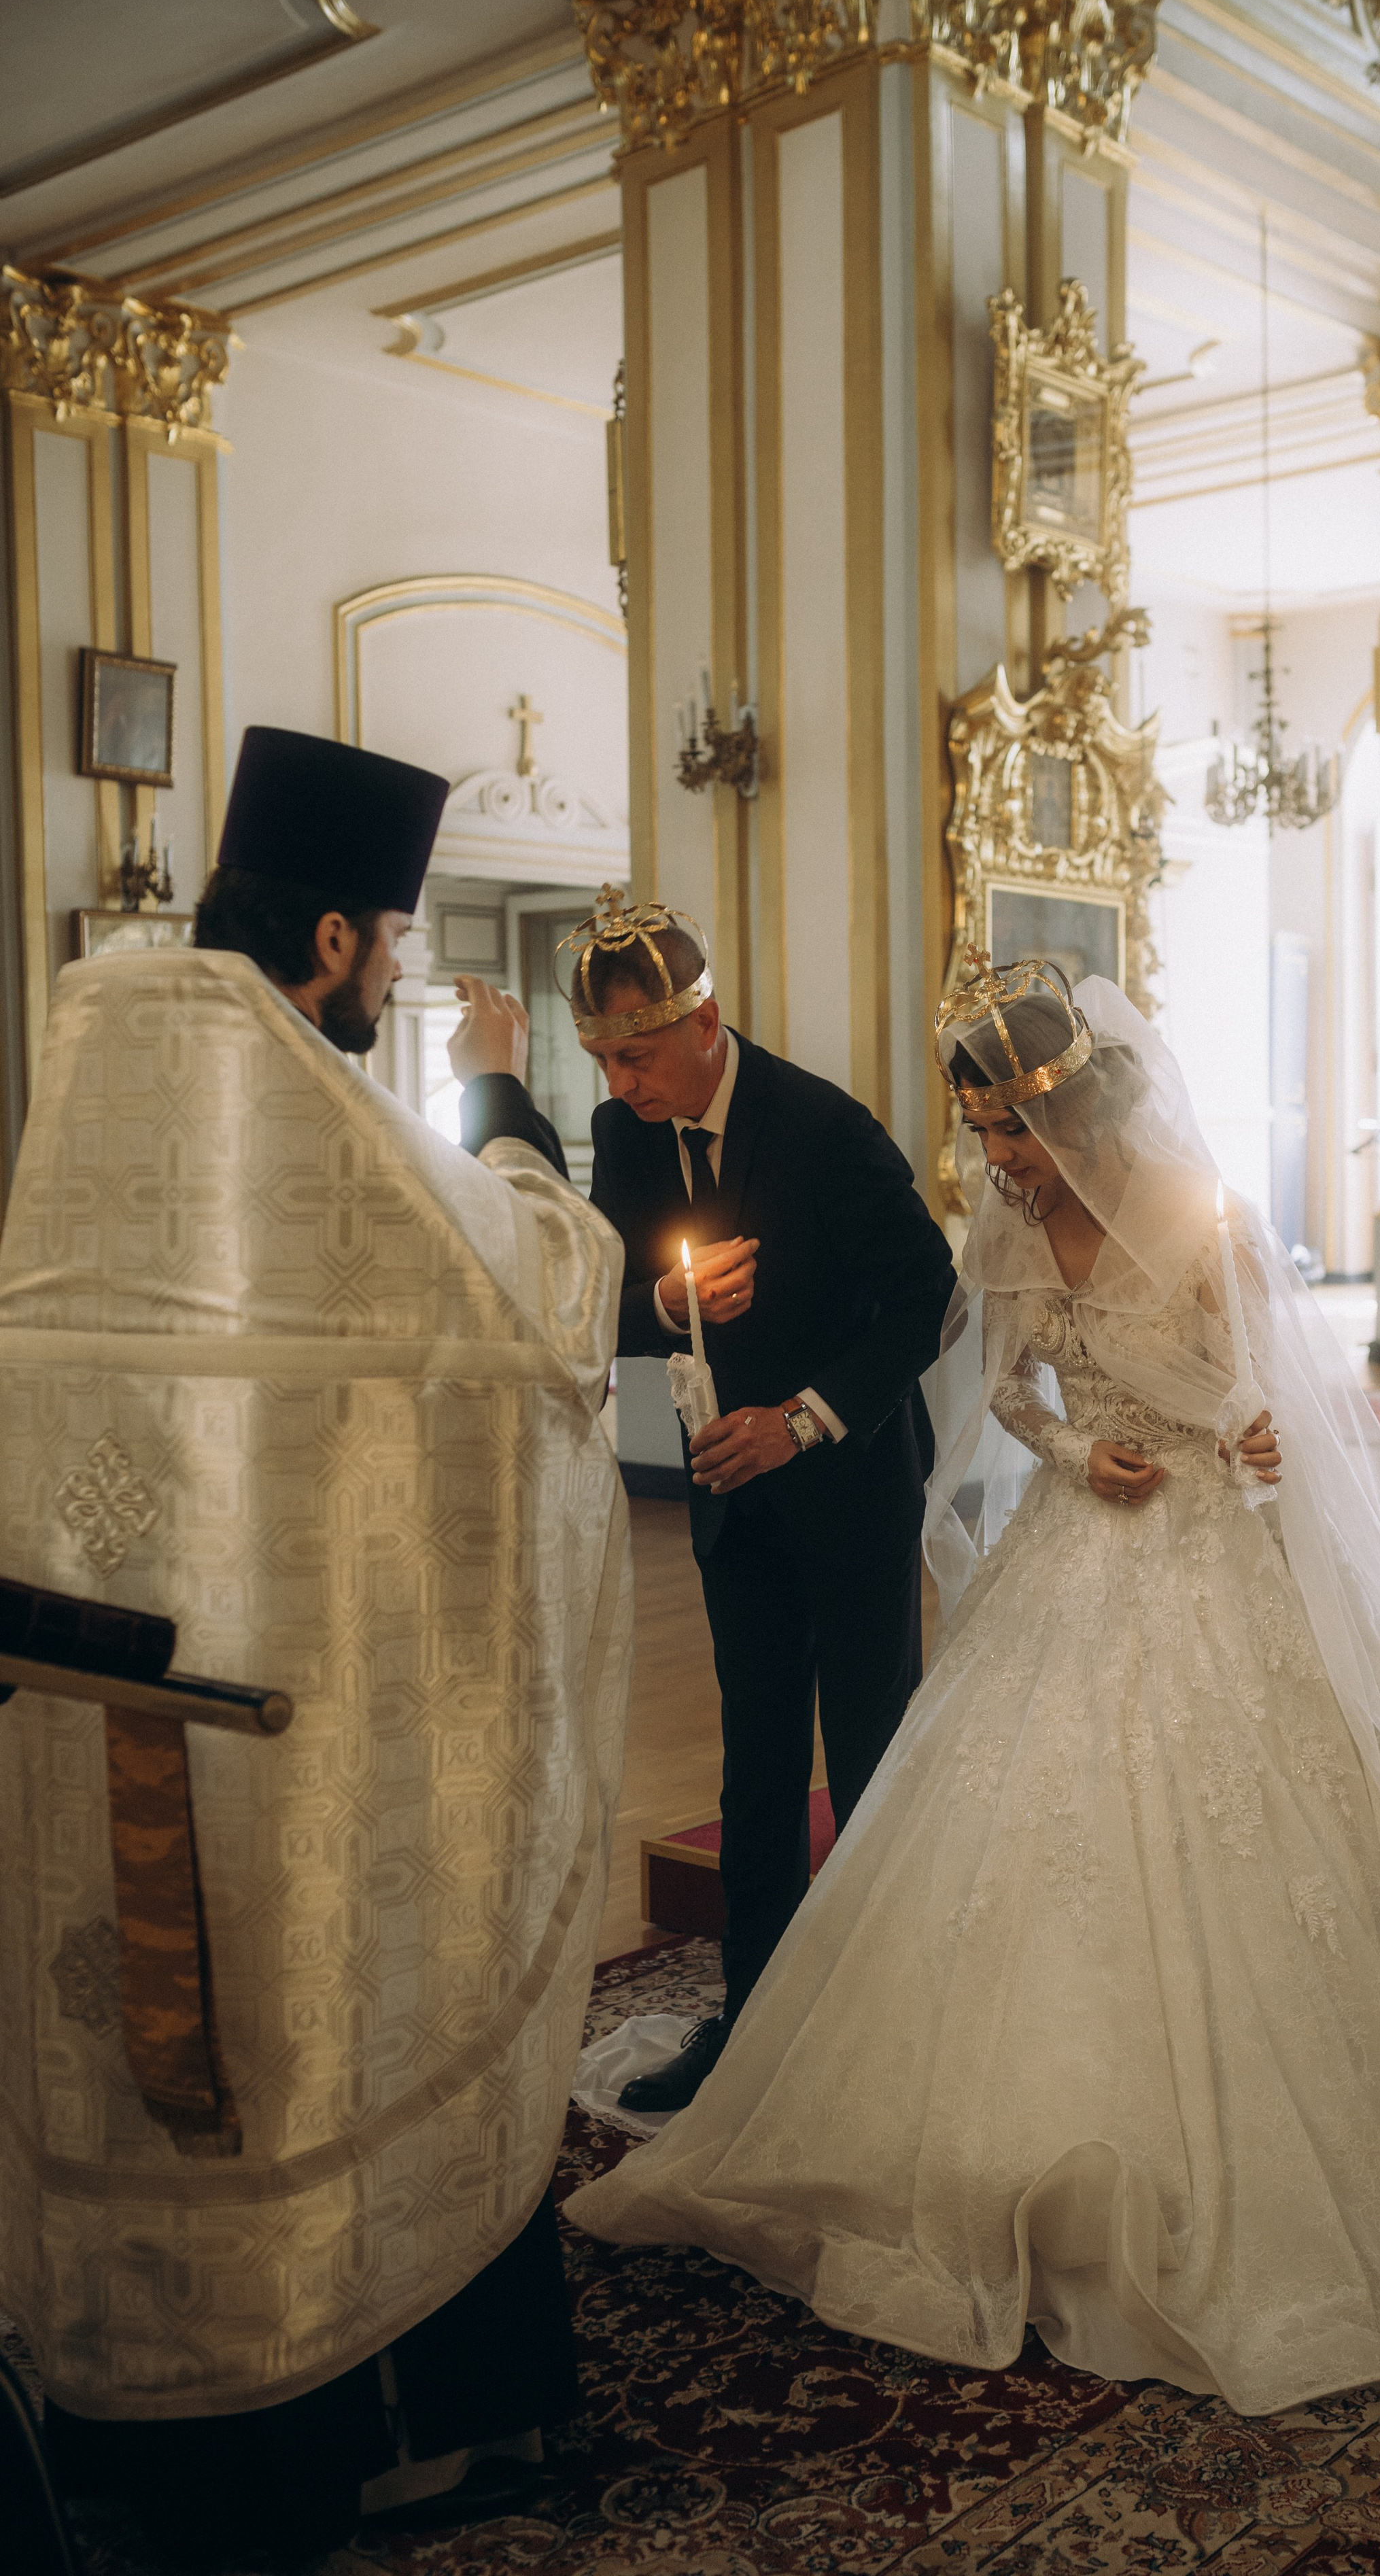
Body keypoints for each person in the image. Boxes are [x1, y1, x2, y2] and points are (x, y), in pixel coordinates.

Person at [569, 957, 1380, 2414]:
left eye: (1021, 1136)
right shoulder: (1001, 1217)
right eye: (988, 1137)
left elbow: (1274, 1410)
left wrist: (1249, 1448)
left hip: (1200, 1549)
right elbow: (1002, 1391)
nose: (1003, 1164)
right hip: (1076, 1543)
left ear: (1096, 1106)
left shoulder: (1204, 1224)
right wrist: (1070, 1457)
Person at [0, 725, 634, 2562]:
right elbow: (550, 1291)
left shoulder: (97, 1060)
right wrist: (505, 1098)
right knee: (343, 2006)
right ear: (350, 942)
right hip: (302, 1719)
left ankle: (108, 2412)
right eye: (396, 945)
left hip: (99, 1694)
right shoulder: (321, 1113)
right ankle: (398, 2416)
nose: (394, 979)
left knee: (127, 2041)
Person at [467, 887, 956, 2114]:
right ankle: (752, 2022)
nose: (620, 1082)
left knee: (870, 1754)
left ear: (704, 1024)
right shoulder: (629, 1132)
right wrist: (677, 1310)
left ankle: (889, 2016)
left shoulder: (825, 1129)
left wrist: (801, 1421)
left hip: (847, 1480)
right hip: (727, 1488)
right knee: (753, 1764)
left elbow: (927, 1299)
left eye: (635, 1055)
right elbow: (608, 1294)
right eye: (598, 1060)